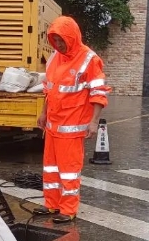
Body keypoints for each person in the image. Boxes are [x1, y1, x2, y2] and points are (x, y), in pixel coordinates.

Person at [33, 16, 112, 223]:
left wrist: (94, 122)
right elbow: (49, 90)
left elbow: (98, 93)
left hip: (72, 127)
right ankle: (51, 204)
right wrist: (43, 113)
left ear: (72, 37)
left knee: (68, 170)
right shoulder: (53, 58)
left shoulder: (89, 59)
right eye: (55, 40)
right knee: (50, 169)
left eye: (61, 40)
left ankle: (68, 209)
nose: (58, 45)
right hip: (52, 125)